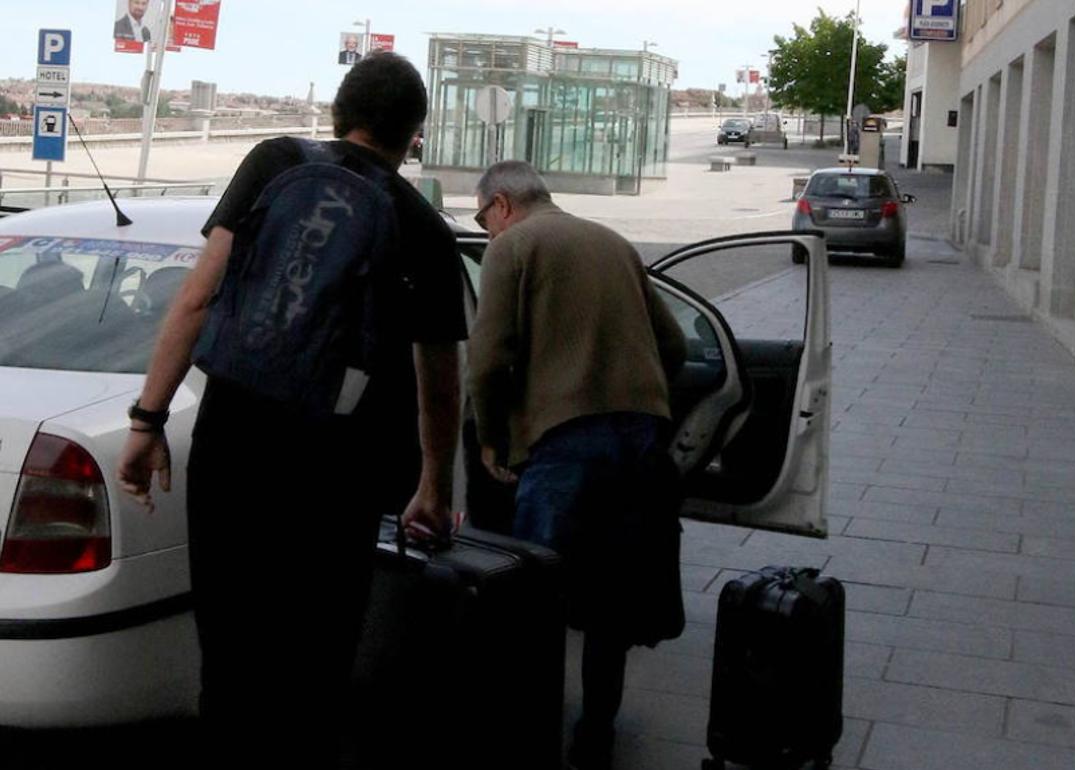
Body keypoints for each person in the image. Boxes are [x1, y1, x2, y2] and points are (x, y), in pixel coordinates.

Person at [116, 52, 465, 768]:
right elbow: (439, 377)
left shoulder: (276, 161)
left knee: (230, 644)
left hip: (234, 440)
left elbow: (197, 295)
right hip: (340, 466)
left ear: (339, 113)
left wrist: (147, 421)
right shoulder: (425, 229)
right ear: (414, 135)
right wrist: (435, 481)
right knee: (316, 655)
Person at [467, 160, 687, 770]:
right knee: (611, 602)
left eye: (483, 217)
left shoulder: (513, 248)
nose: (485, 231)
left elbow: (486, 359)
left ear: (503, 204)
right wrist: (644, 401)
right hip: (640, 444)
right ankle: (595, 733)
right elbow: (672, 344)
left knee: (537, 598)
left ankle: (526, 730)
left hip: (563, 445)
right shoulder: (615, 244)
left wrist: (492, 439)